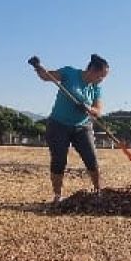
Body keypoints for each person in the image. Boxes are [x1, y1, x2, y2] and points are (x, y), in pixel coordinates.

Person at [32, 54, 109, 204]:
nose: (102, 80)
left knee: (91, 160)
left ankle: (98, 192)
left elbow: (98, 111)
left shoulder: (95, 88)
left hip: (82, 127)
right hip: (58, 125)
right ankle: (57, 196)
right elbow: (47, 76)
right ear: (92, 70)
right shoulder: (70, 73)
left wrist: (88, 108)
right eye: (101, 76)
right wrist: (37, 66)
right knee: (59, 160)